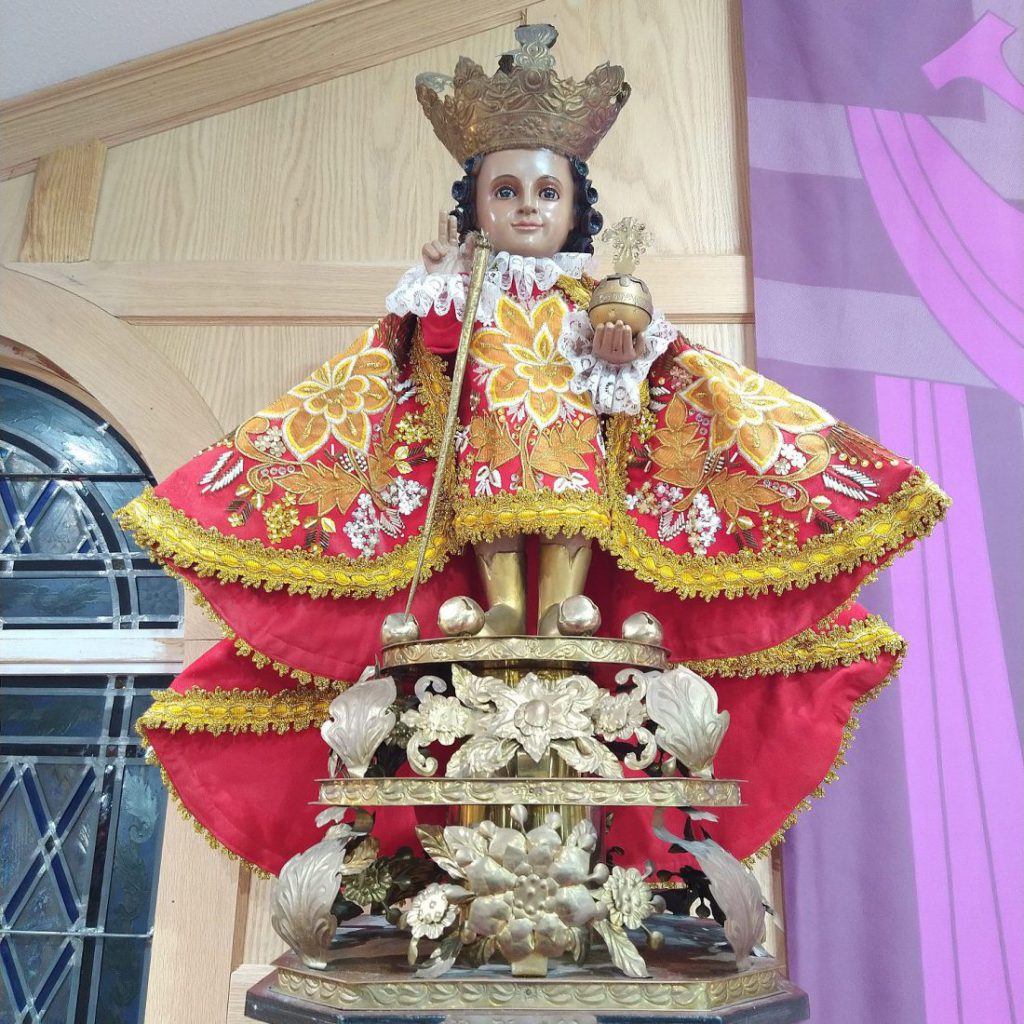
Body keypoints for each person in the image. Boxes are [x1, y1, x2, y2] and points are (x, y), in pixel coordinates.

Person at [119, 25, 949, 877]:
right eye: (506, 191)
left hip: (572, 473)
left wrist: (623, 338)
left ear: (575, 206)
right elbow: (419, 362)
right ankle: (507, 638)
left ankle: (562, 642)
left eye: (546, 193)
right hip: (485, 472)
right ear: (474, 205)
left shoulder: (590, 294)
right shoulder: (462, 291)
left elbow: (648, 374)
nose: (527, 208)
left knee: (567, 585)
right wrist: (440, 285)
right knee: (499, 582)